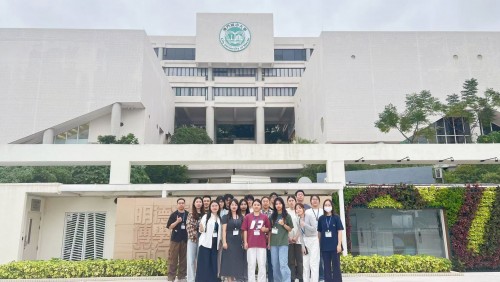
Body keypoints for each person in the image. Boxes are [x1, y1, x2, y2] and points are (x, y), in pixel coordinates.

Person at [242, 199, 271, 282]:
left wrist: (265, 229)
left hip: (261, 244)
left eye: (258, 205)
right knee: (251, 265)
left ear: (260, 206)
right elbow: (245, 230)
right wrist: (245, 242)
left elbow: (268, 229)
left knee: (262, 264)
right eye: (255, 204)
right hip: (251, 244)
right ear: (252, 206)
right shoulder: (248, 216)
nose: (256, 206)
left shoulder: (264, 217)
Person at [220, 199, 247, 282]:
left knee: (237, 262)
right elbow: (223, 230)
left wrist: (244, 241)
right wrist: (224, 242)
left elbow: (243, 231)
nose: (234, 206)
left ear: (237, 206)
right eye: (232, 205)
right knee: (229, 262)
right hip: (229, 242)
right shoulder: (225, 217)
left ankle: (236, 279)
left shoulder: (242, 217)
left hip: (238, 242)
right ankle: (229, 280)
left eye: (235, 205)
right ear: (229, 206)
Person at [317, 199, 344, 282]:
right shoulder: (321, 218)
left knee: (336, 265)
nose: (327, 207)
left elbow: (339, 231)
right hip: (325, 246)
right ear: (323, 207)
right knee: (326, 266)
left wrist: (339, 245)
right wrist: (319, 244)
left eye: (329, 205)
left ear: (332, 206)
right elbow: (319, 232)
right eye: (326, 205)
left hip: (335, 246)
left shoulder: (336, 217)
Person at [196, 200, 222, 282]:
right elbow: (201, 229)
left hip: (215, 245)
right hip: (205, 244)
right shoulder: (206, 217)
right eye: (213, 206)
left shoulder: (219, 218)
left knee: (213, 263)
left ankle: (213, 280)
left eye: (216, 206)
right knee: (204, 264)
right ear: (210, 208)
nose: (214, 207)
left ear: (218, 207)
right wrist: (201, 228)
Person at [269, 197, 293, 282]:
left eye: (279, 203)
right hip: (273, 244)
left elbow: (290, 229)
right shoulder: (272, 216)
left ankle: (286, 280)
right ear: (274, 205)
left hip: (283, 243)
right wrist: (269, 243)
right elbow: (270, 231)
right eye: (276, 204)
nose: (278, 205)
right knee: (275, 265)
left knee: (283, 264)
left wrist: (283, 224)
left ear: (282, 204)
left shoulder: (287, 216)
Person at [296, 203, 320, 282]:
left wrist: (305, 225)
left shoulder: (309, 217)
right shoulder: (298, 220)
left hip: (313, 240)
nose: (298, 210)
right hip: (305, 241)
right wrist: (302, 246)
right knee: (305, 264)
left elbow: (314, 229)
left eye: (299, 208)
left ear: (303, 209)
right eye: (296, 209)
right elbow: (301, 234)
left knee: (313, 263)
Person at [167, 198, 189, 282]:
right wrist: (177, 221)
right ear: (177, 204)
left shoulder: (188, 214)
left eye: (183, 203)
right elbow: (169, 227)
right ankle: (171, 277)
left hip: (185, 239)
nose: (181, 204)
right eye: (179, 203)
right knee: (173, 259)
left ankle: (182, 277)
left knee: (183, 259)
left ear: (184, 204)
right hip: (175, 240)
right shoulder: (174, 214)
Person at [305, 195, 324, 281]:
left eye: (316, 199)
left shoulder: (322, 211)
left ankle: (322, 277)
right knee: (312, 259)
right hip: (311, 238)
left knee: (322, 258)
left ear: (319, 201)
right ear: (311, 201)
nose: (315, 201)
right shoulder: (307, 212)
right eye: (313, 199)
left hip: (323, 237)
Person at [187, 197, 204, 282]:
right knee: (191, 260)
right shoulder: (191, 214)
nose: (198, 203)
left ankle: (199, 278)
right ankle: (191, 279)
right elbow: (189, 226)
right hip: (192, 239)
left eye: (200, 202)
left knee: (200, 259)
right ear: (194, 203)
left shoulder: (205, 214)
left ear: (202, 203)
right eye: (197, 202)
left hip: (203, 240)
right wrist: (197, 234)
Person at [287, 195, 303, 282]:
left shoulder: (299, 211)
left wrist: (296, 237)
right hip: (288, 240)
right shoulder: (285, 212)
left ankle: (301, 278)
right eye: (289, 200)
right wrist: (289, 237)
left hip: (299, 240)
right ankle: (292, 278)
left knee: (299, 260)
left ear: (295, 201)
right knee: (291, 261)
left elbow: (301, 226)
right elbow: (284, 226)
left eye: (292, 200)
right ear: (287, 202)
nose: (291, 202)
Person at [261, 196, 274, 282]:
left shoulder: (273, 213)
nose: (265, 203)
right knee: (262, 262)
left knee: (271, 261)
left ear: (269, 202)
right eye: (264, 201)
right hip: (260, 239)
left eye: (267, 201)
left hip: (272, 239)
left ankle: (271, 280)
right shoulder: (258, 212)